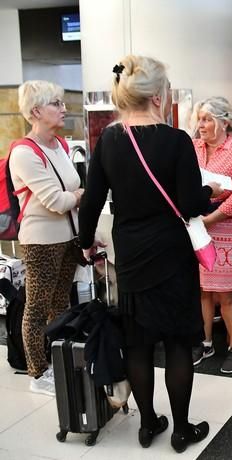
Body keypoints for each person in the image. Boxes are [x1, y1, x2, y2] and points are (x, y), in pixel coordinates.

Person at [79, 55, 222, 452]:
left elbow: (91, 201)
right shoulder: (177, 141)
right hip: (172, 255)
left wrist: (85, 243)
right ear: (159, 95)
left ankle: (147, 425)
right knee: (178, 343)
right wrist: (212, 193)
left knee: (138, 344)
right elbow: (191, 204)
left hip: (131, 256)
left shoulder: (109, 139)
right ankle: (180, 430)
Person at [10, 80, 83, 396]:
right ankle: (37, 373)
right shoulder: (25, 153)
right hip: (40, 241)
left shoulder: (61, 146)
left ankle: (59, 363)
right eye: (56, 103)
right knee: (37, 307)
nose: (64, 108)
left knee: (60, 304)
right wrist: (80, 194)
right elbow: (56, 201)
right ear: (36, 111)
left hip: (68, 238)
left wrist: (75, 199)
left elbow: (66, 198)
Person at [189, 97, 232, 374]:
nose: (200, 125)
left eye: (206, 119)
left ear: (224, 122)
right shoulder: (193, 148)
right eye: (199, 119)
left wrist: (211, 219)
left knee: (226, 295)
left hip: (225, 228)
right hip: (195, 226)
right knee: (203, 291)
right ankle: (205, 343)